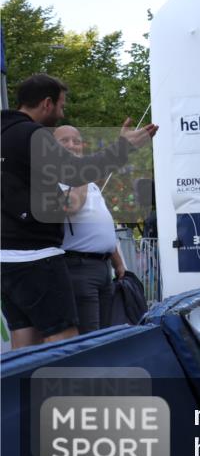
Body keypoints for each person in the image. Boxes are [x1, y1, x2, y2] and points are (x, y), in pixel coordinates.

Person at [1, 74, 158, 349]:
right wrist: (124, 147)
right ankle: (66, 393)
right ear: (47, 103)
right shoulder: (33, 135)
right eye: (61, 106)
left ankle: (19, 392)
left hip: (6, 259)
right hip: (37, 257)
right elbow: (77, 173)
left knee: (25, 340)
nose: (63, 113)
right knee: (65, 340)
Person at [53, 125, 129, 334]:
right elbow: (72, 208)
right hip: (78, 267)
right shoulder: (53, 181)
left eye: (76, 141)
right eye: (65, 141)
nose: (72, 145)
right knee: (89, 335)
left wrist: (118, 263)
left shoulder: (91, 184)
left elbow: (101, 224)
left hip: (103, 268)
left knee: (103, 333)